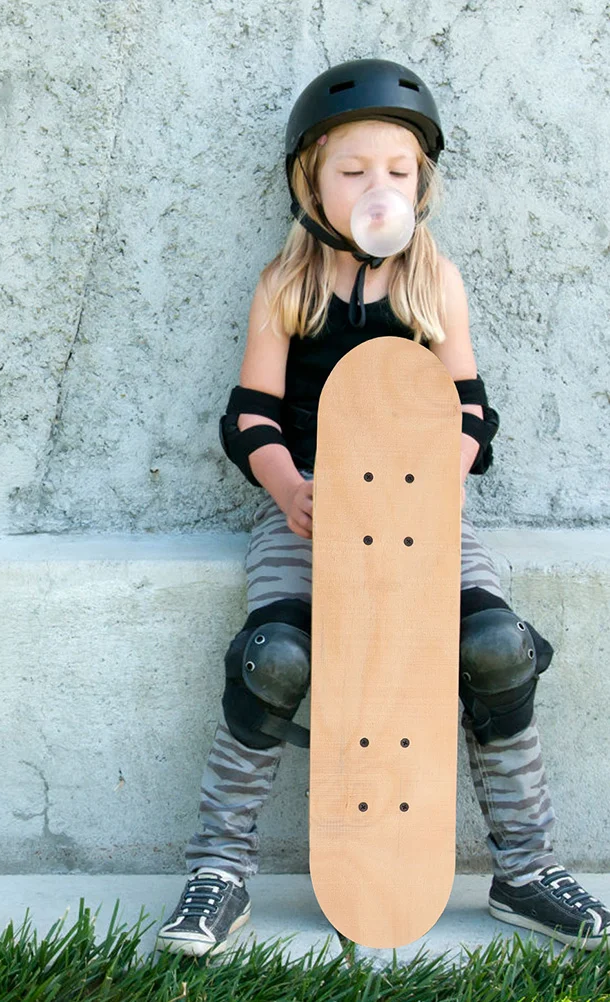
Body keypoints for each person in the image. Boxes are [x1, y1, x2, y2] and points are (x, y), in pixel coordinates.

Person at [156, 58, 610, 956]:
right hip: (311, 520)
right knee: (273, 659)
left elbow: (473, 411)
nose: (378, 189)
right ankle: (217, 870)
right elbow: (249, 414)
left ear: (422, 187)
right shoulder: (285, 286)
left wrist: (442, 477)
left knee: (495, 649)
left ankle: (526, 869)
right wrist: (290, 489)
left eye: (397, 173)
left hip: (427, 523)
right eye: (354, 171)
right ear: (309, 183)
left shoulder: (434, 283)